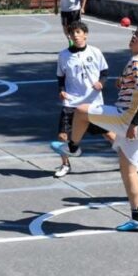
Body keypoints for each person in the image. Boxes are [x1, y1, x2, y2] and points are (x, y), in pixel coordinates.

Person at [50, 22, 138, 232]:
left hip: (129, 119)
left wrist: (133, 124)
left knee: (81, 111)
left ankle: (72, 148)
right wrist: (125, 82)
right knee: (128, 171)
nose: (133, 36)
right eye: (135, 32)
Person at [54, 21, 115, 178]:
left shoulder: (95, 52)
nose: (75, 35)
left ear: (85, 34)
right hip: (71, 102)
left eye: (78, 32)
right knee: (62, 136)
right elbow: (60, 77)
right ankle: (65, 164)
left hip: (92, 102)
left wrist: (101, 83)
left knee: (108, 134)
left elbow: (105, 72)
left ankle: (130, 159)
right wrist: (61, 91)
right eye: (72, 33)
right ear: (69, 35)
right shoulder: (63, 55)